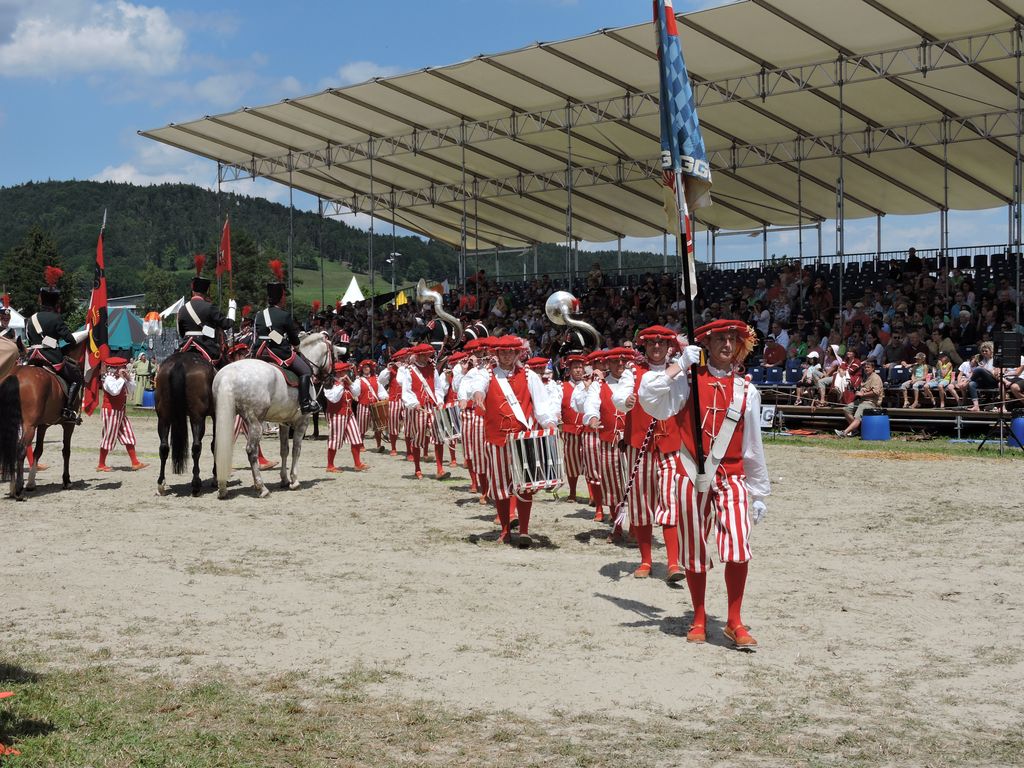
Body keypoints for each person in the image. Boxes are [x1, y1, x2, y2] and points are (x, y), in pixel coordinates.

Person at [638, 319, 769, 647]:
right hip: (691, 476)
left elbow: (754, 445)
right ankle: (698, 617)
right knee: (694, 550)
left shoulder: (747, 390)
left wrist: (758, 492)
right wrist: (679, 365)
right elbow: (648, 395)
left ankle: (734, 621)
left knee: (739, 548)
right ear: (706, 345)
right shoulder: (686, 381)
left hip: (733, 477)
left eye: (732, 340)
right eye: (720, 339)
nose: (727, 345)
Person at [462, 334, 559, 547]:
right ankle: (505, 529)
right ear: (496, 354)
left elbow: (542, 405)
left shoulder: (529, 376)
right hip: (496, 439)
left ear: (517, 353)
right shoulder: (487, 375)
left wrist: (549, 422)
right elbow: (477, 385)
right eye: (502, 352)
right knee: (500, 487)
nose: (506, 355)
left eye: (510, 352)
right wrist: (477, 393)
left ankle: (524, 530)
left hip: (523, 439)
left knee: (524, 485)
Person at [612, 325, 685, 581]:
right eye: (652, 344)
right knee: (641, 504)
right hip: (638, 445)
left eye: (661, 344)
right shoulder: (634, 371)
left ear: (668, 347)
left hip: (669, 445)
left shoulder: (678, 370)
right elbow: (620, 393)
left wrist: (687, 350)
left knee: (671, 500)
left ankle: (674, 563)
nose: (656, 348)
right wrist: (625, 401)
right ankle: (645, 560)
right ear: (644, 346)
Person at [252, 259, 319, 415]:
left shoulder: (259, 315)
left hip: (260, 351)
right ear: (280, 298)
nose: (285, 299)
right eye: (284, 297)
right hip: (278, 351)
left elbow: (256, 334)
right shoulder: (284, 315)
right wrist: (295, 347)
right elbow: (295, 340)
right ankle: (305, 404)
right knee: (306, 370)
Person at [580, 348, 633, 528]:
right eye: (615, 362)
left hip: (633, 441)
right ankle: (616, 524)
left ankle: (635, 526)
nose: (619, 365)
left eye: (623, 362)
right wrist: (592, 417)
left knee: (634, 483)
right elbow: (591, 403)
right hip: (609, 440)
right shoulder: (599, 385)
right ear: (607, 364)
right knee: (612, 484)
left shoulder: (635, 383)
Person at [24, 266, 83, 422]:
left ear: (42, 300)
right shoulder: (56, 319)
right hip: (51, 356)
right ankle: (68, 410)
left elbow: (29, 338)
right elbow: (70, 339)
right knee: (77, 379)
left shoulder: (31, 318)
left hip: (31, 356)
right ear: (56, 302)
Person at [398, 342, 450, 479]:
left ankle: (440, 469)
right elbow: (406, 390)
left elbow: (437, 387)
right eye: (423, 355)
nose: (425, 358)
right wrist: (414, 403)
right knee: (418, 437)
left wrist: (439, 401)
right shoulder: (409, 370)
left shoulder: (432, 369)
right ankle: (417, 468)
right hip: (417, 408)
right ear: (418, 355)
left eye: (427, 355)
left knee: (438, 436)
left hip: (432, 406)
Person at [177, 254, 234, 366]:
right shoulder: (209, 307)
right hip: (205, 344)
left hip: (186, 345)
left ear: (193, 291)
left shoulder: (182, 309)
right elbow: (227, 324)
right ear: (206, 292)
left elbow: (181, 332)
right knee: (224, 368)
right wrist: (232, 308)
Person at [96, 356, 148, 472]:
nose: (124, 368)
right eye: (122, 367)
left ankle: (135, 462)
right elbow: (114, 391)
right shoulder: (108, 378)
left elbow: (131, 389)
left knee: (128, 435)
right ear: (116, 368)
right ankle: (101, 464)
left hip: (120, 411)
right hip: (111, 412)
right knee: (108, 437)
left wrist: (128, 379)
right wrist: (123, 379)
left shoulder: (120, 378)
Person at [323, 361, 366, 472]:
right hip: (336, 415)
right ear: (338, 373)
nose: (347, 373)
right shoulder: (330, 384)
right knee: (335, 439)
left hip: (349, 413)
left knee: (356, 437)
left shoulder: (347, 383)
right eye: (345, 371)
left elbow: (357, 393)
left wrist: (350, 383)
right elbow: (334, 398)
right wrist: (341, 384)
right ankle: (330, 465)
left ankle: (357, 464)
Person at [558, 353, 587, 503]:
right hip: (570, 430)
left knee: (590, 461)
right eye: (575, 367)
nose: (578, 370)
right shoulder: (562, 387)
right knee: (571, 461)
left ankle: (593, 495)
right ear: (569, 370)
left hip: (587, 429)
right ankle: (573, 491)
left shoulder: (589, 385)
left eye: (581, 367)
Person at [835, 359, 884, 437]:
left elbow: (876, 392)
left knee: (858, 415)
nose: (866, 369)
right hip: (862, 401)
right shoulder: (865, 377)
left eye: (868, 367)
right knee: (846, 409)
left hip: (871, 402)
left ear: (873, 368)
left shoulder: (876, 378)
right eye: (865, 367)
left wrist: (863, 394)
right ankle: (855, 430)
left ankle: (844, 433)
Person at [352, 359, 387, 453]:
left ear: (371, 368)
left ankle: (379, 445)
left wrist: (384, 397)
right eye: (364, 367)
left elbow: (381, 391)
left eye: (367, 367)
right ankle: (361, 444)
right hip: (363, 405)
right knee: (362, 426)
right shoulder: (358, 380)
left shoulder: (376, 378)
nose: (366, 369)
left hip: (375, 405)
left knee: (378, 426)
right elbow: (355, 391)